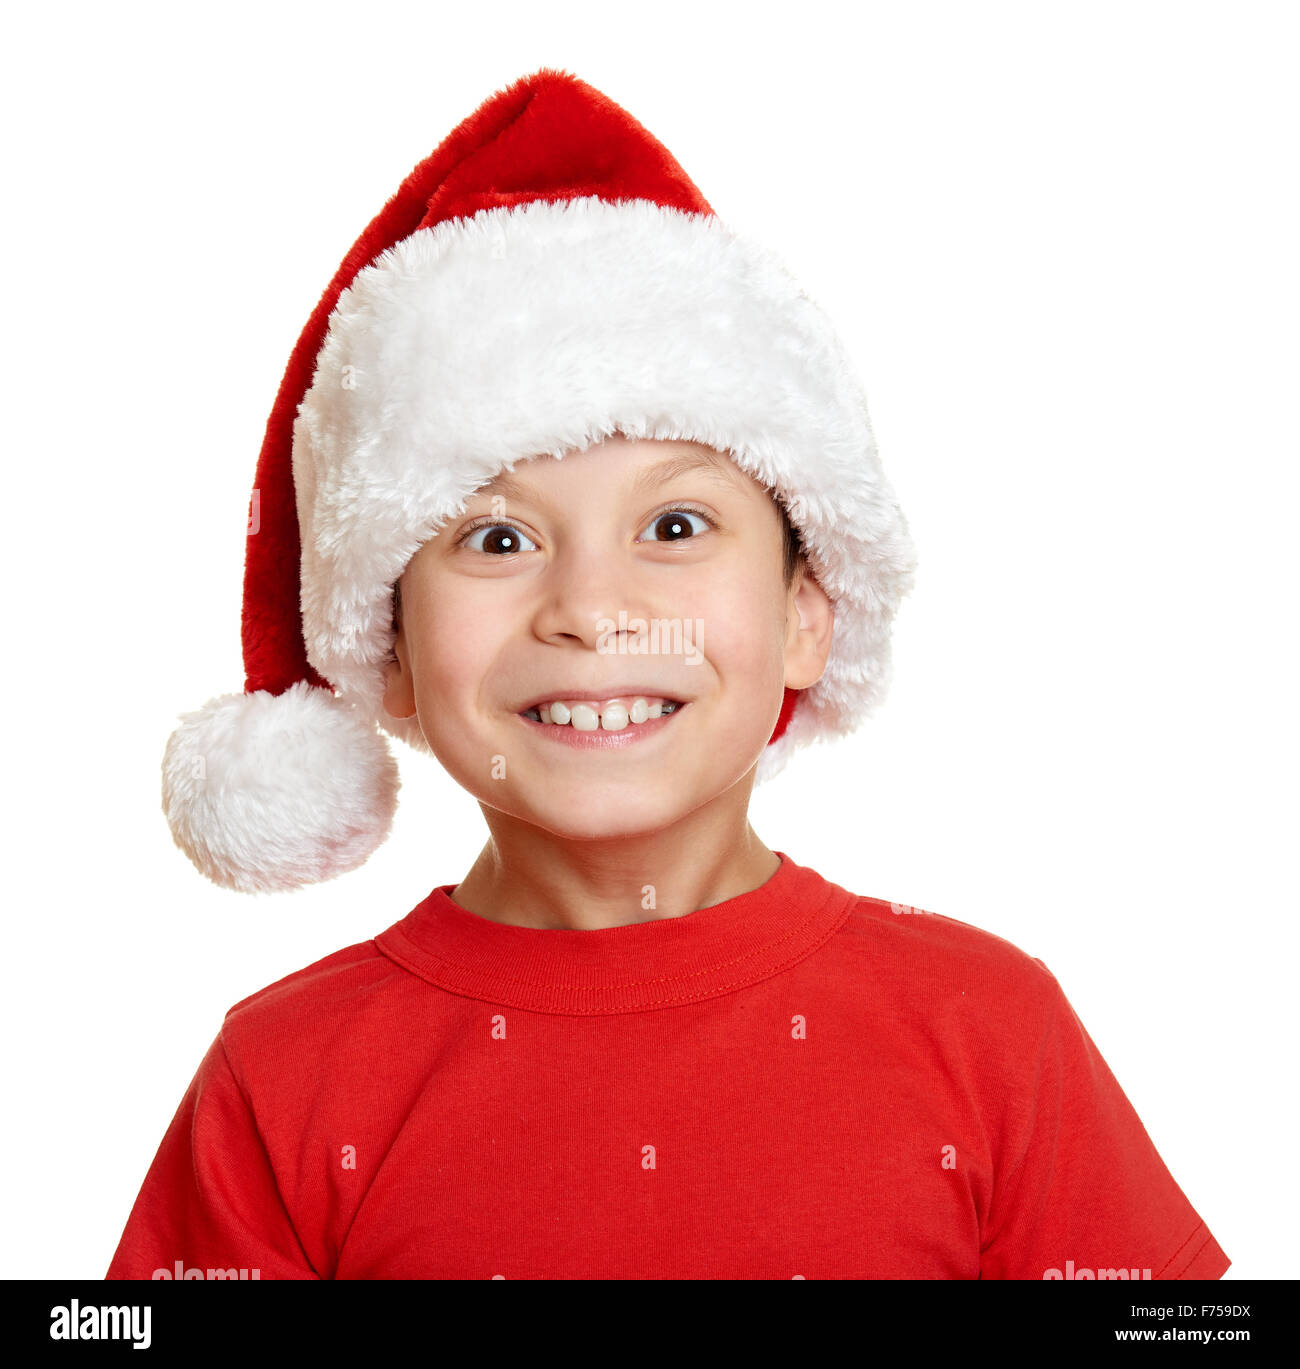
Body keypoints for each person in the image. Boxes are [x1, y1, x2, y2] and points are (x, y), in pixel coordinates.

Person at [106, 67, 1229, 1280]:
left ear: (808, 614)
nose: (593, 612)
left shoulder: (989, 1030)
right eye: (497, 539)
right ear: (388, 654)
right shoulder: (282, 1078)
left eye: (678, 526)